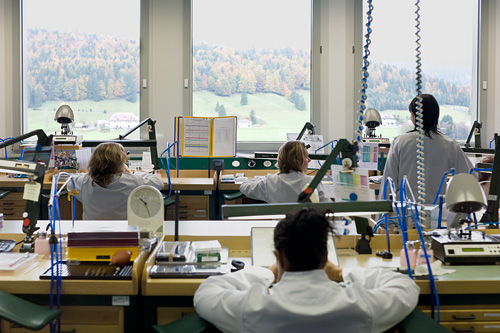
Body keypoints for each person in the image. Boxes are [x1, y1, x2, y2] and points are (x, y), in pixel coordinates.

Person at [194, 208, 420, 333]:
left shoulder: (251, 308)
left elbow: (207, 292)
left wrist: (269, 272)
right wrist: (342, 273)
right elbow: (405, 286)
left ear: (280, 257)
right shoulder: (362, 306)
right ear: (325, 257)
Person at [381, 94, 473, 204]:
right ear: (436, 116)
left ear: (414, 117)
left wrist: (381, 218)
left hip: (404, 215)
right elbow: (471, 177)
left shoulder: (400, 143)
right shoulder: (450, 145)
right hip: (438, 215)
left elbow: (388, 183)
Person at [68, 142, 164, 220]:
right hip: (124, 235)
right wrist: (131, 173)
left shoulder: (84, 181)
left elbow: (68, 178)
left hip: (92, 236)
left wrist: (90, 173)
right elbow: (158, 183)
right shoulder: (132, 181)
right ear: (120, 162)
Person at [239, 141, 329, 203]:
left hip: (280, 228)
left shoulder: (269, 182)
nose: (309, 160)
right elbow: (329, 207)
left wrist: (263, 178)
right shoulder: (313, 182)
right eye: (306, 157)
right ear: (298, 160)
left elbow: (244, 186)